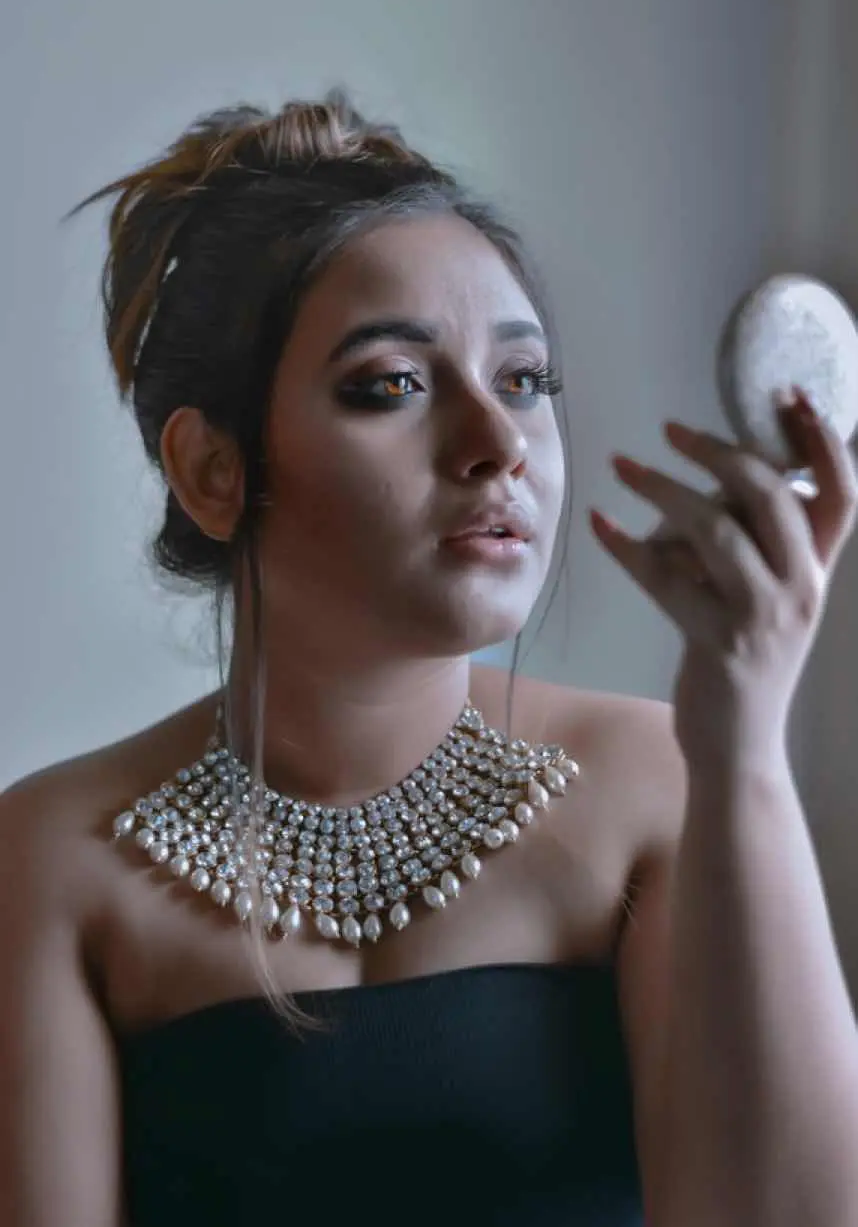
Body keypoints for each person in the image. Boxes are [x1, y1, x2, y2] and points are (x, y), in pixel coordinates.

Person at [2, 91, 857, 1227]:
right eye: (393, 385)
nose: (499, 445)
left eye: (524, 381)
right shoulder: (51, 861)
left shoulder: (669, 784)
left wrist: (744, 741)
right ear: (213, 470)